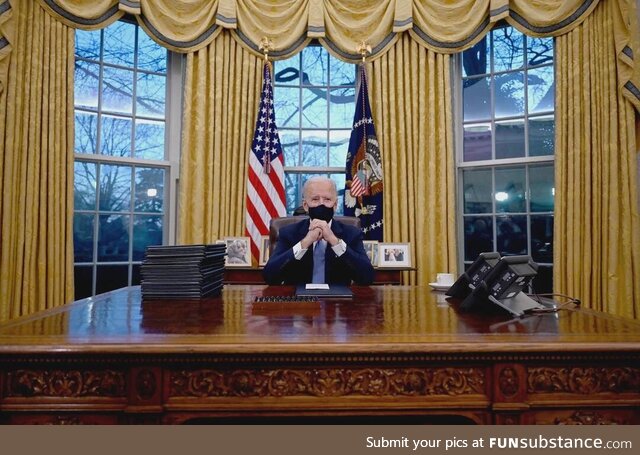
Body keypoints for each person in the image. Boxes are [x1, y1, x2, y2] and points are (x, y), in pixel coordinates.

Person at [263, 176, 374, 285]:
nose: (321, 204)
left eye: (327, 199)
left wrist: (334, 241)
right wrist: (305, 242)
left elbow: (367, 277)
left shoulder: (352, 234)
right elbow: (270, 277)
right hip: (299, 301)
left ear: (335, 205)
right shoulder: (288, 233)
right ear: (306, 206)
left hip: (338, 301)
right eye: (315, 199)